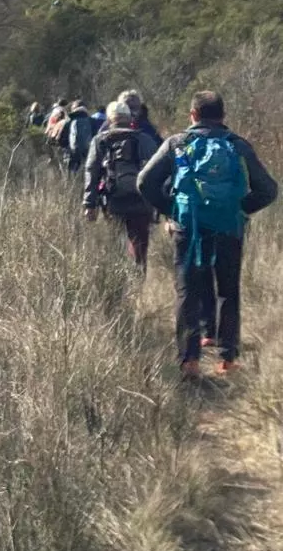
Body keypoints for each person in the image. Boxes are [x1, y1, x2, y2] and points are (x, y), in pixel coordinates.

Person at [137, 91, 278, 378]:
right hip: (228, 227)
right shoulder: (237, 146)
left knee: (187, 292)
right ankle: (227, 360)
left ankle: (189, 361)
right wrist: (240, 209)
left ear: (193, 115)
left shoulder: (177, 143)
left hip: (188, 228)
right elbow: (269, 189)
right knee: (228, 291)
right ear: (222, 116)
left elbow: (145, 182)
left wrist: (173, 210)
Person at [83, 101, 159, 269]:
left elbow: (92, 171)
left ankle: (118, 282)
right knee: (139, 245)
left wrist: (90, 203)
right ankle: (138, 281)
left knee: (114, 245)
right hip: (141, 202)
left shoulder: (100, 140)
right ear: (129, 119)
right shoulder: (144, 139)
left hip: (112, 201)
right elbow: (157, 171)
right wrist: (158, 203)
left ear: (110, 120)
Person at [64, 101, 95, 174]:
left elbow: (63, 139)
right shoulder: (92, 120)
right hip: (88, 150)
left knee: (73, 173)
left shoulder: (69, 122)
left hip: (73, 151)